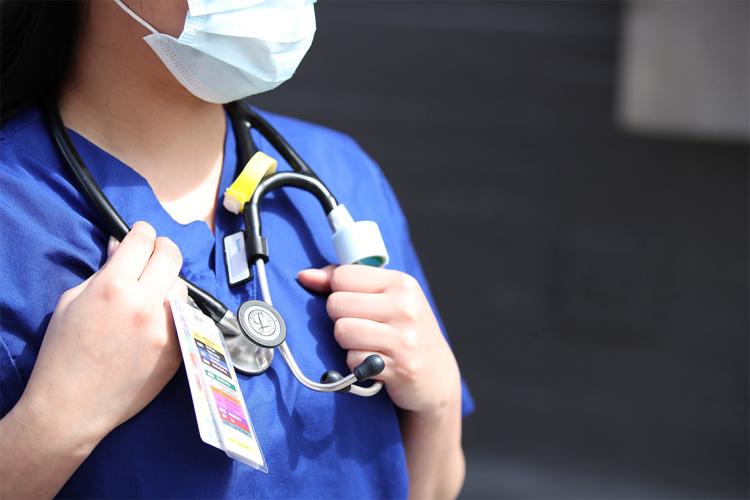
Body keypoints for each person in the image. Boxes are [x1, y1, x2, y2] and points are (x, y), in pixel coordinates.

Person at [0, 1, 474, 498]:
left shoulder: (342, 174)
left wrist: (437, 404)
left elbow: (432, 488)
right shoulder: (19, 213)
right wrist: (53, 425)